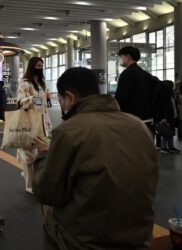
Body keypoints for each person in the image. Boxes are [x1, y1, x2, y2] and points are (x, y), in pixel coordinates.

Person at [32, 67, 159, 250]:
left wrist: (45, 153)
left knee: (49, 212)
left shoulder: (69, 131)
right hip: (139, 237)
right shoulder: (139, 126)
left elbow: (47, 192)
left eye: (61, 101)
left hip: (85, 241)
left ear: (70, 97)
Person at [17, 57, 52, 194]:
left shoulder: (42, 83)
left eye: (41, 65)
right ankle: (29, 185)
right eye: (37, 65)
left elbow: (43, 106)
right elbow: (20, 102)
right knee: (29, 155)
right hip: (30, 122)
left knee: (41, 153)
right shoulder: (25, 84)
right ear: (32, 66)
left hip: (43, 123)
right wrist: (33, 99)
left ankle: (31, 177)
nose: (40, 68)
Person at [115, 46, 157, 133]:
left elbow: (121, 96)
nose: (120, 60)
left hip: (130, 118)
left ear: (128, 57)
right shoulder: (147, 75)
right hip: (147, 117)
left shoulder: (126, 74)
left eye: (121, 57)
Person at [155, 80, 181, 153]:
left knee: (171, 132)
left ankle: (171, 147)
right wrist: (163, 117)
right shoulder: (162, 97)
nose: (172, 87)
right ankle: (163, 147)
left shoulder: (171, 96)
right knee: (165, 133)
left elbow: (173, 107)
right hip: (165, 118)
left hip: (172, 116)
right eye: (171, 85)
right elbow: (161, 108)